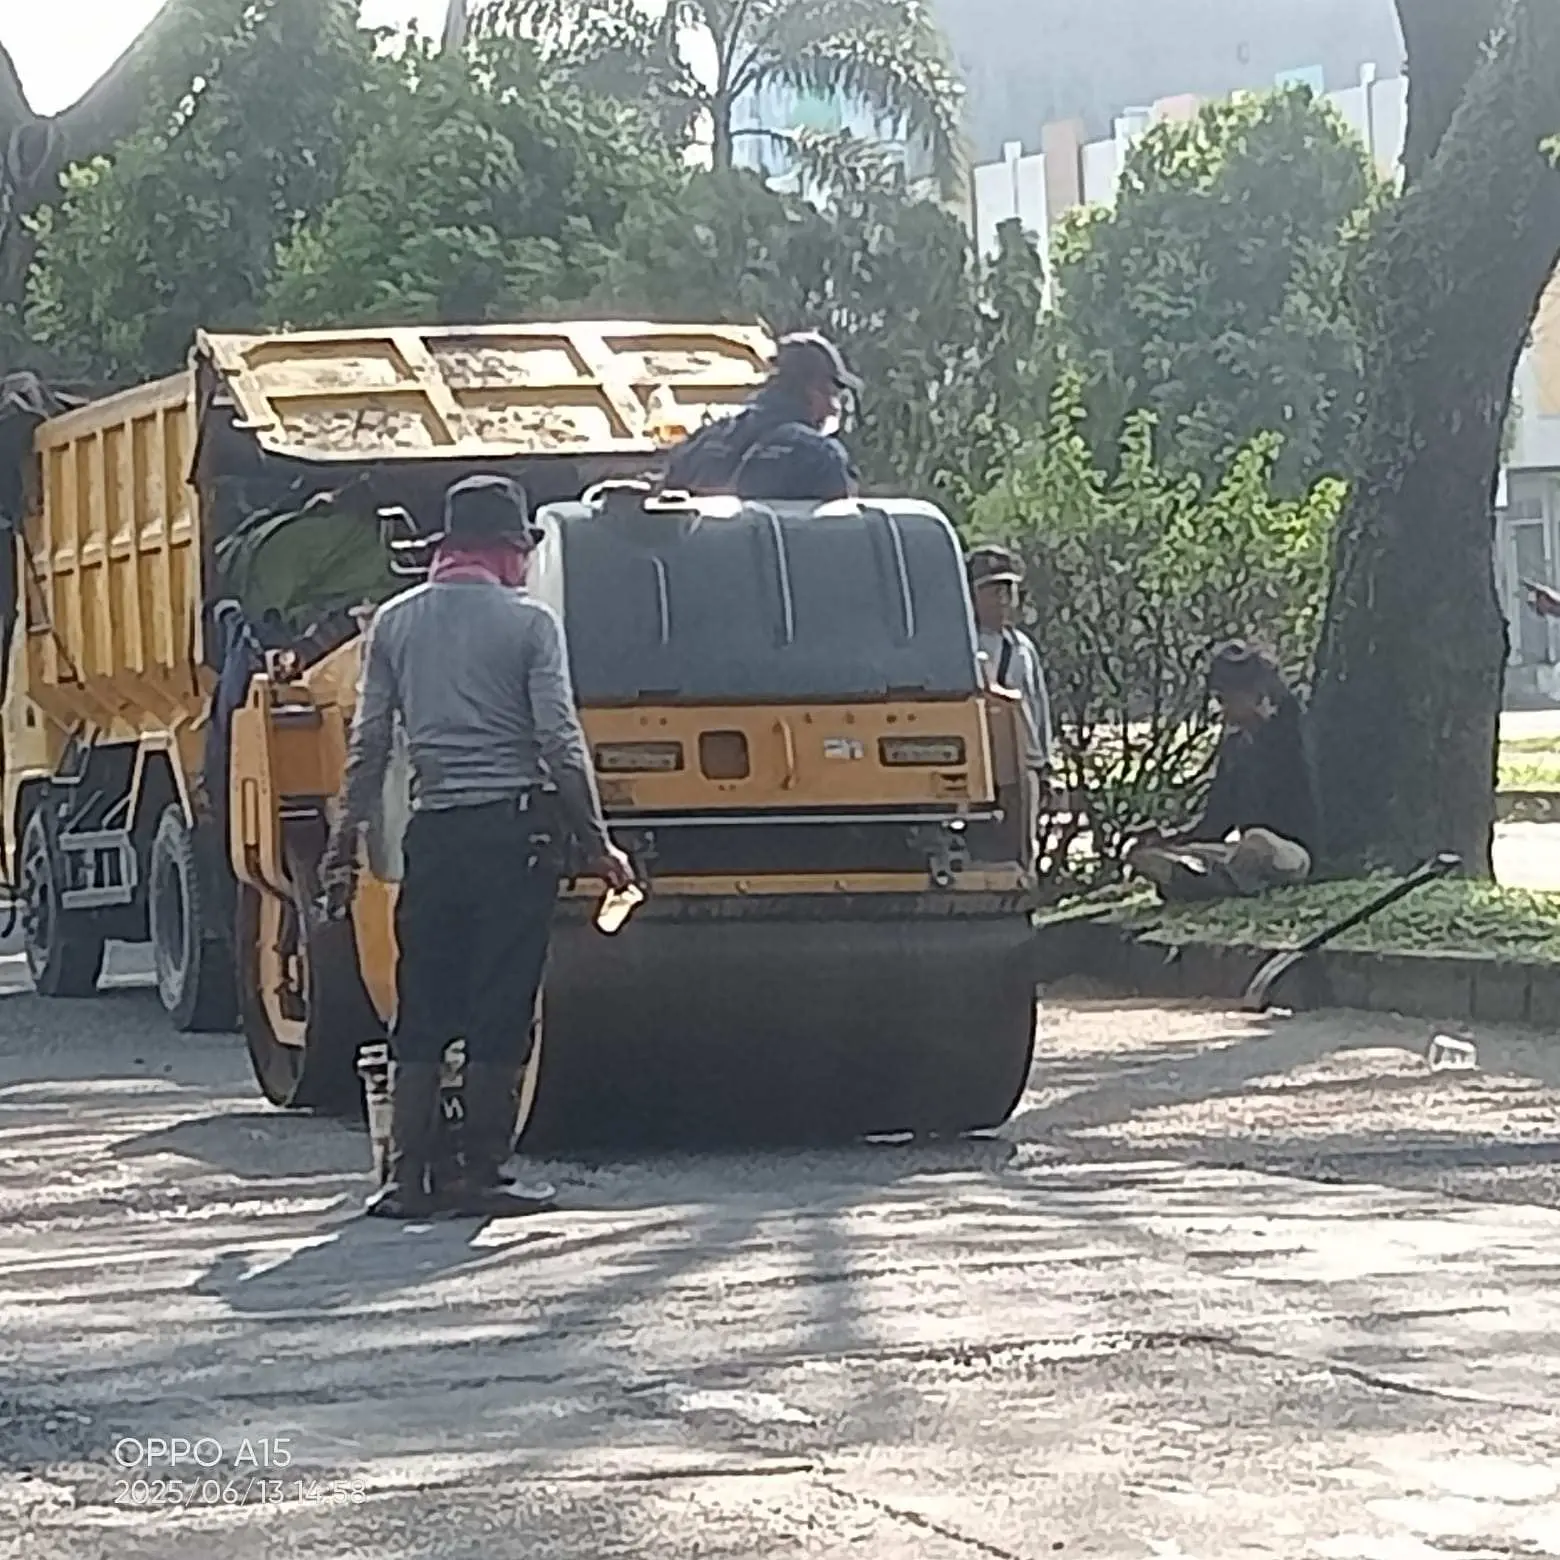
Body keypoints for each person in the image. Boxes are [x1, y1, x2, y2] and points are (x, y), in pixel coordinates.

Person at [320, 474, 634, 1221]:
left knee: (423, 999)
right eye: (521, 550)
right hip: (510, 834)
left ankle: (404, 1178)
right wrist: (598, 843)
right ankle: (482, 1172)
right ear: (502, 550)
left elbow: (367, 750)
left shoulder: (393, 625)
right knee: (501, 1001)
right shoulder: (529, 625)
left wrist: (343, 843)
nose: (525, 564)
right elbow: (560, 742)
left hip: (433, 834)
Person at [1126, 640, 1318, 902]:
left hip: (1293, 853)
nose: (1223, 710)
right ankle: (1192, 875)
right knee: (1211, 853)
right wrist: (1169, 841)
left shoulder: (1298, 733)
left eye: (1226, 699)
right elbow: (1216, 822)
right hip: (1238, 853)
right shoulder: (1234, 748)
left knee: (1257, 843)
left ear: (1254, 693)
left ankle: (1199, 880)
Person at [665, 331, 861, 499]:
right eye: (832, 395)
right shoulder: (821, 458)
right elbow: (844, 533)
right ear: (814, 390)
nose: (833, 409)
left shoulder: (703, 442)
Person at [967, 545, 1054, 873]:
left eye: (1006, 590)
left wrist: (1044, 762)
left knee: (1023, 848)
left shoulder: (1022, 647)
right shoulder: (965, 643)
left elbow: (1038, 704)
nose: (1001, 599)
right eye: (990, 591)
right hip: (981, 762)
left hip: (1023, 761)